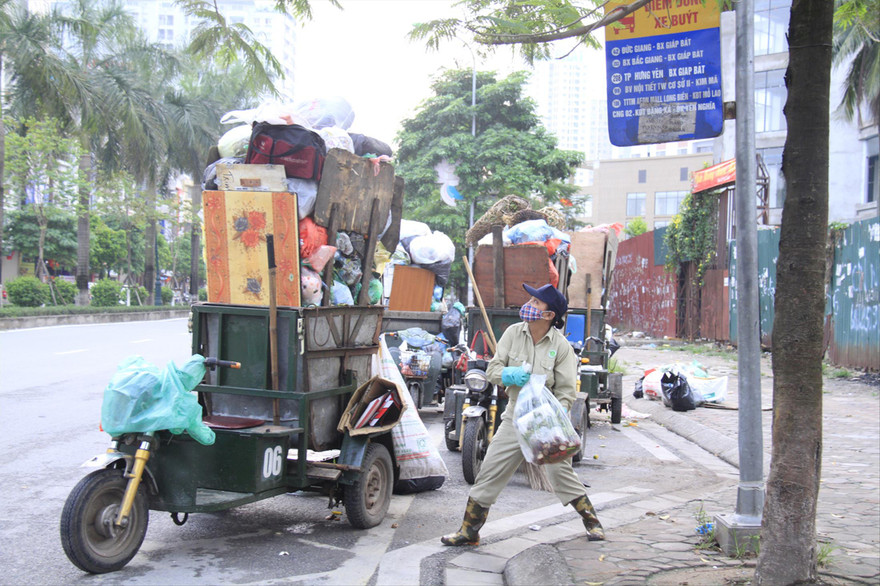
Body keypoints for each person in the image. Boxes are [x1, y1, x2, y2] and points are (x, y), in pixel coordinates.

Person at [440, 283, 605, 546]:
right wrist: (508, 374)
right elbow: (494, 369)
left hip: (545, 421)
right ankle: (469, 531)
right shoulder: (513, 334)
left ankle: (592, 522)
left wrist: (557, 417)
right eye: (530, 300)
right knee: (490, 471)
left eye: (536, 303)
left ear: (549, 315)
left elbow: (565, 390)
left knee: (560, 475)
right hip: (514, 417)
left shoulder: (561, 347)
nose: (529, 306)